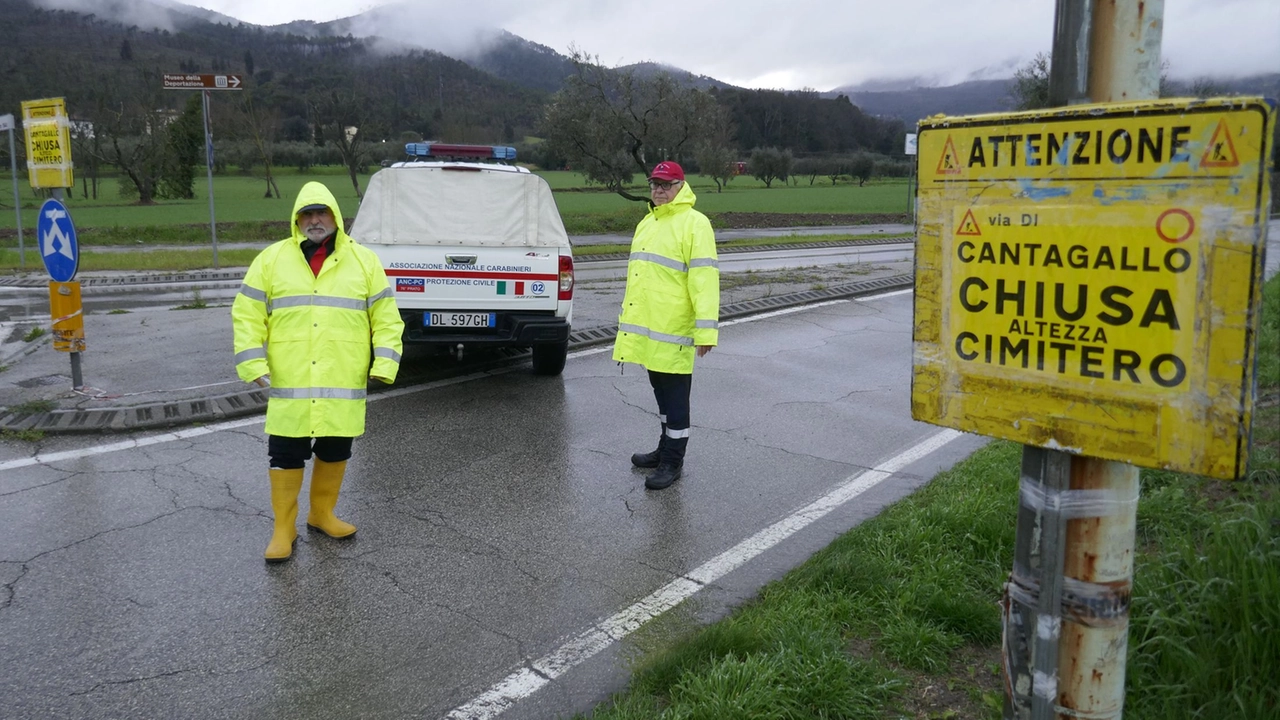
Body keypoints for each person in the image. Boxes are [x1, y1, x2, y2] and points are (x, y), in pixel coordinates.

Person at [232, 181, 405, 563]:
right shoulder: (272, 259)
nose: (314, 221)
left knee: (335, 449)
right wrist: (252, 364)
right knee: (285, 454)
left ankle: (321, 514)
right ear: (296, 220)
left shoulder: (364, 261)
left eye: (321, 213)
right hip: (290, 382)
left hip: (342, 381)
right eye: (307, 214)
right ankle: (284, 529)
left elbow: (387, 318)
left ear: (335, 218)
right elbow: (246, 315)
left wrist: (386, 363)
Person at [613, 161, 720, 490]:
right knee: (661, 395)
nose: (659, 190)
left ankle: (673, 460)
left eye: (666, 184)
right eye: (654, 184)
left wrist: (706, 332)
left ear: (680, 186)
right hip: (649, 332)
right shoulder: (647, 223)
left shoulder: (695, 224)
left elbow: (705, 282)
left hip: (675, 331)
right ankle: (663, 450)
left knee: (675, 400)